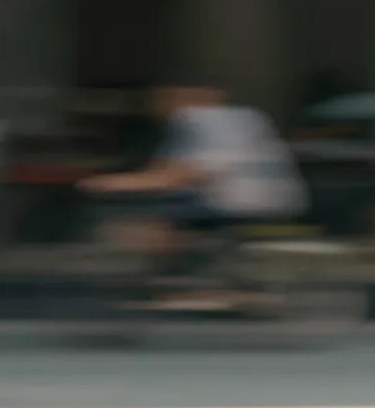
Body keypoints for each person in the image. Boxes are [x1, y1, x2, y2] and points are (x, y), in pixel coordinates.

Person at [81, 82, 308, 310]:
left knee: (139, 224)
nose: (157, 107)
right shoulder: (245, 117)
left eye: (165, 99)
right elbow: (169, 167)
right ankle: (199, 280)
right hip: (279, 200)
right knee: (166, 215)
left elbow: (185, 174)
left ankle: (198, 284)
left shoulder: (202, 119)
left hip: (237, 202)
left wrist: (113, 183)